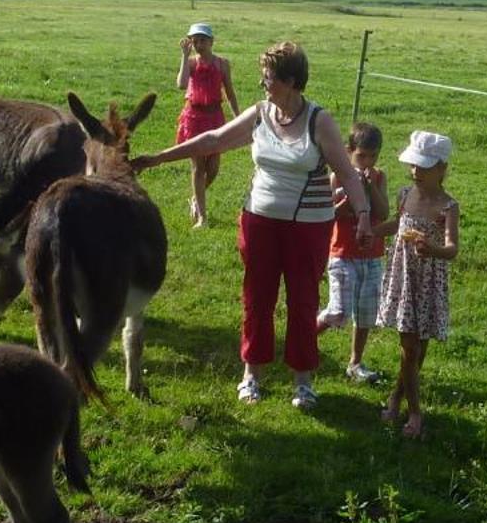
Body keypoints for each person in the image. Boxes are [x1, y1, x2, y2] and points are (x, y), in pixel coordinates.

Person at [132, 40, 369, 411]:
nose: (263, 84)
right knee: (257, 298)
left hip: (308, 228)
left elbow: (347, 174)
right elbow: (213, 139)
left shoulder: (318, 121)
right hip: (258, 221)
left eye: (269, 78)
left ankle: (303, 382)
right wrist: (159, 158)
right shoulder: (260, 113)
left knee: (303, 302)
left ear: (291, 81)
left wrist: (365, 214)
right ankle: (251, 376)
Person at [379, 129, 459, 439]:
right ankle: (415, 412)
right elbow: (397, 225)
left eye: (423, 167)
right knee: (408, 348)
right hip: (404, 278)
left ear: (442, 169)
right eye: (413, 165)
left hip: (428, 282)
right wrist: (372, 231)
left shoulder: (448, 206)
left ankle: (396, 398)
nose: (415, 172)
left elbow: (452, 248)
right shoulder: (404, 195)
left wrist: (434, 249)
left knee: (416, 351)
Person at [316, 120, 391, 384]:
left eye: (373, 156)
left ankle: (355, 362)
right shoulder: (338, 176)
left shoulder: (379, 177)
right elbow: (328, 214)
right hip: (343, 253)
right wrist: (349, 201)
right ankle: (304, 339)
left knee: (366, 312)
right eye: (361, 156)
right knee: (338, 311)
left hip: (371, 256)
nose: (367, 162)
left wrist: (369, 188)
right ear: (349, 152)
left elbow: (383, 213)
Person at [173, 23, 238, 228]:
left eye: (202, 40)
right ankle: (202, 216)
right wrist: (184, 56)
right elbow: (182, 84)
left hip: (215, 118)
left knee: (214, 167)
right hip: (194, 117)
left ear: (211, 41)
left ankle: (196, 198)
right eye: (195, 41)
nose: (199, 44)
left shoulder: (222, 64)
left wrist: (238, 117)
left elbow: (229, 92)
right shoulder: (191, 63)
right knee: (198, 167)